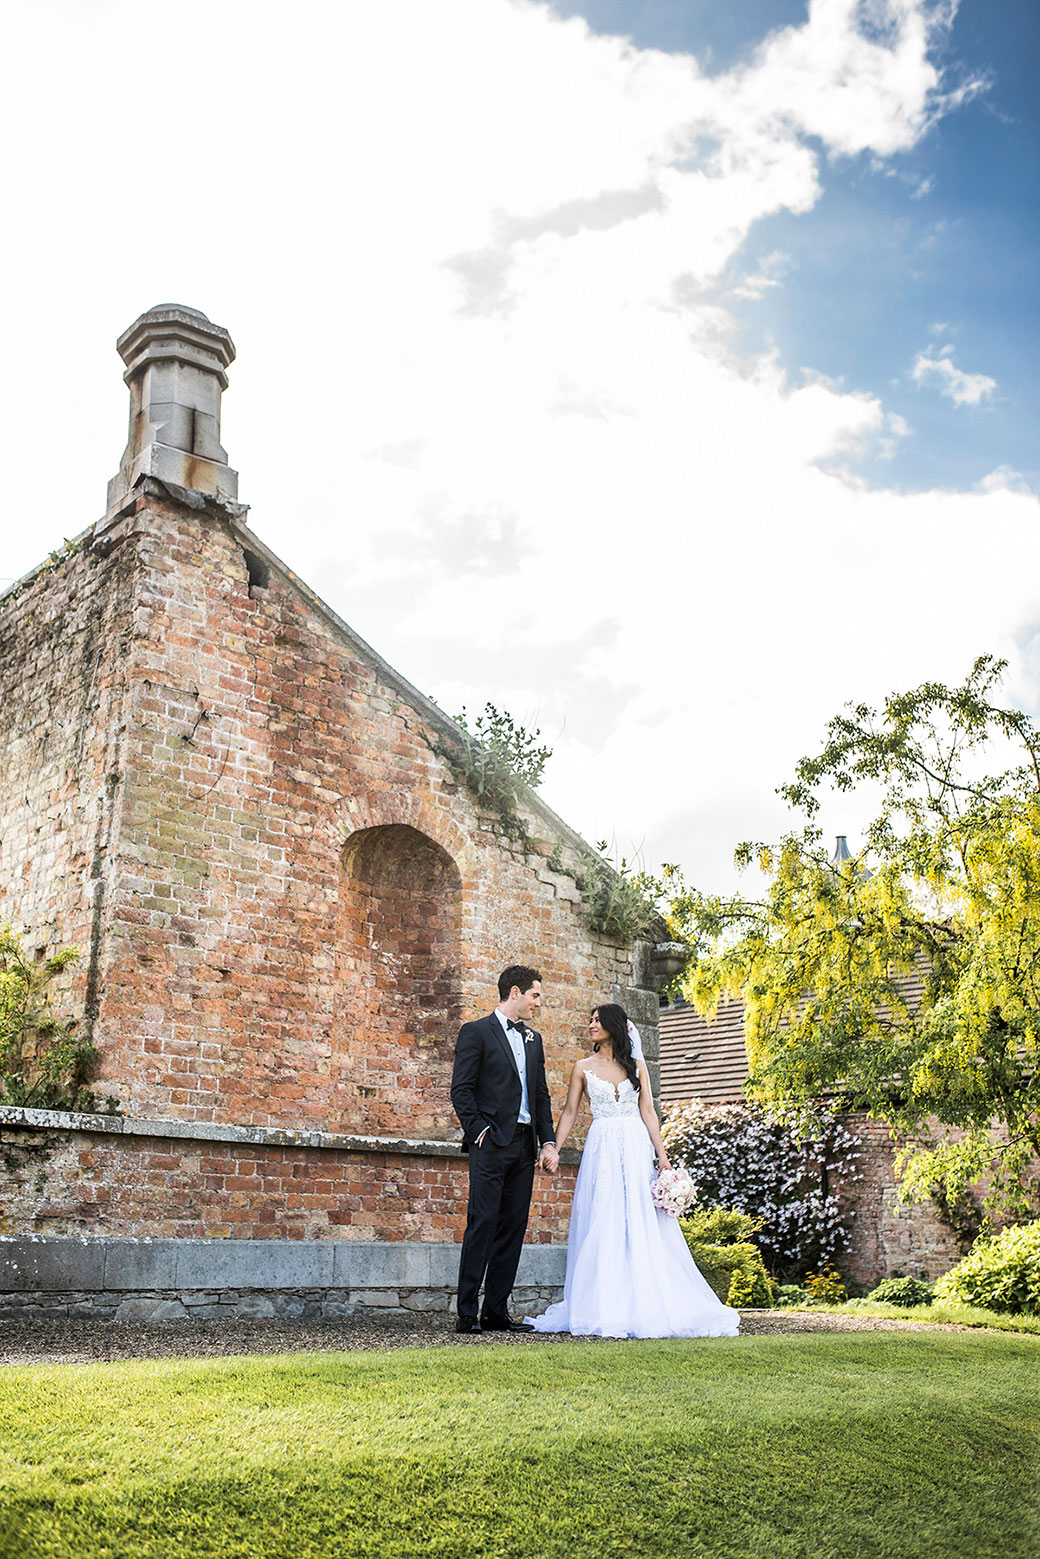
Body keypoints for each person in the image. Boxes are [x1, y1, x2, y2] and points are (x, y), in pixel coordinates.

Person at [528, 1003, 740, 1339]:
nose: (592, 1025)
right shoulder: (582, 1067)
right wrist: (552, 1146)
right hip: (602, 1147)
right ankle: (605, 1304)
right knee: (605, 1216)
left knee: (639, 1219)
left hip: (635, 1146)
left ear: (614, 1025)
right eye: (591, 1019)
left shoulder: (638, 1068)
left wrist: (663, 1157)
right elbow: (569, 1112)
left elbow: (649, 1114)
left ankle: (645, 1300)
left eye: (597, 1020)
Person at [450, 964, 559, 1333]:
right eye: (535, 995)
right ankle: (467, 1311)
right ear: (515, 992)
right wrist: (479, 1131)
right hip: (491, 1143)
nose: (538, 1003)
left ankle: (496, 1311)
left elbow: (540, 1095)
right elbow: (461, 1090)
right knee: (482, 1223)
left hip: (524, 1145)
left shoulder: (534, 1040)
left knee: (513, 1226)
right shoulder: (476, 1032)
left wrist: (548, 1142)